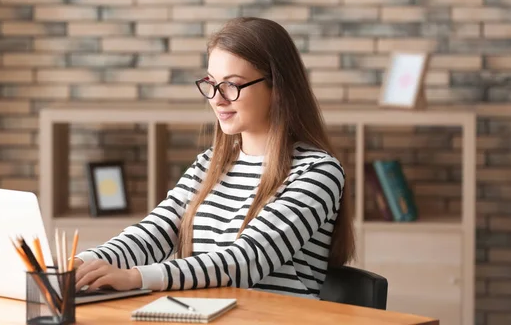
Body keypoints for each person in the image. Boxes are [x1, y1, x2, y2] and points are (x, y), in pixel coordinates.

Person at [73, 17, 356, 299]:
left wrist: (136, 277)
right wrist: (83, 264)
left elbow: (245, 261)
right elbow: (156, 231)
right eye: (211, 84)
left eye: (232, 85)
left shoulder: (318, 172)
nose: (217, 99)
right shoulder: (211, 164)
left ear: (278, 89)